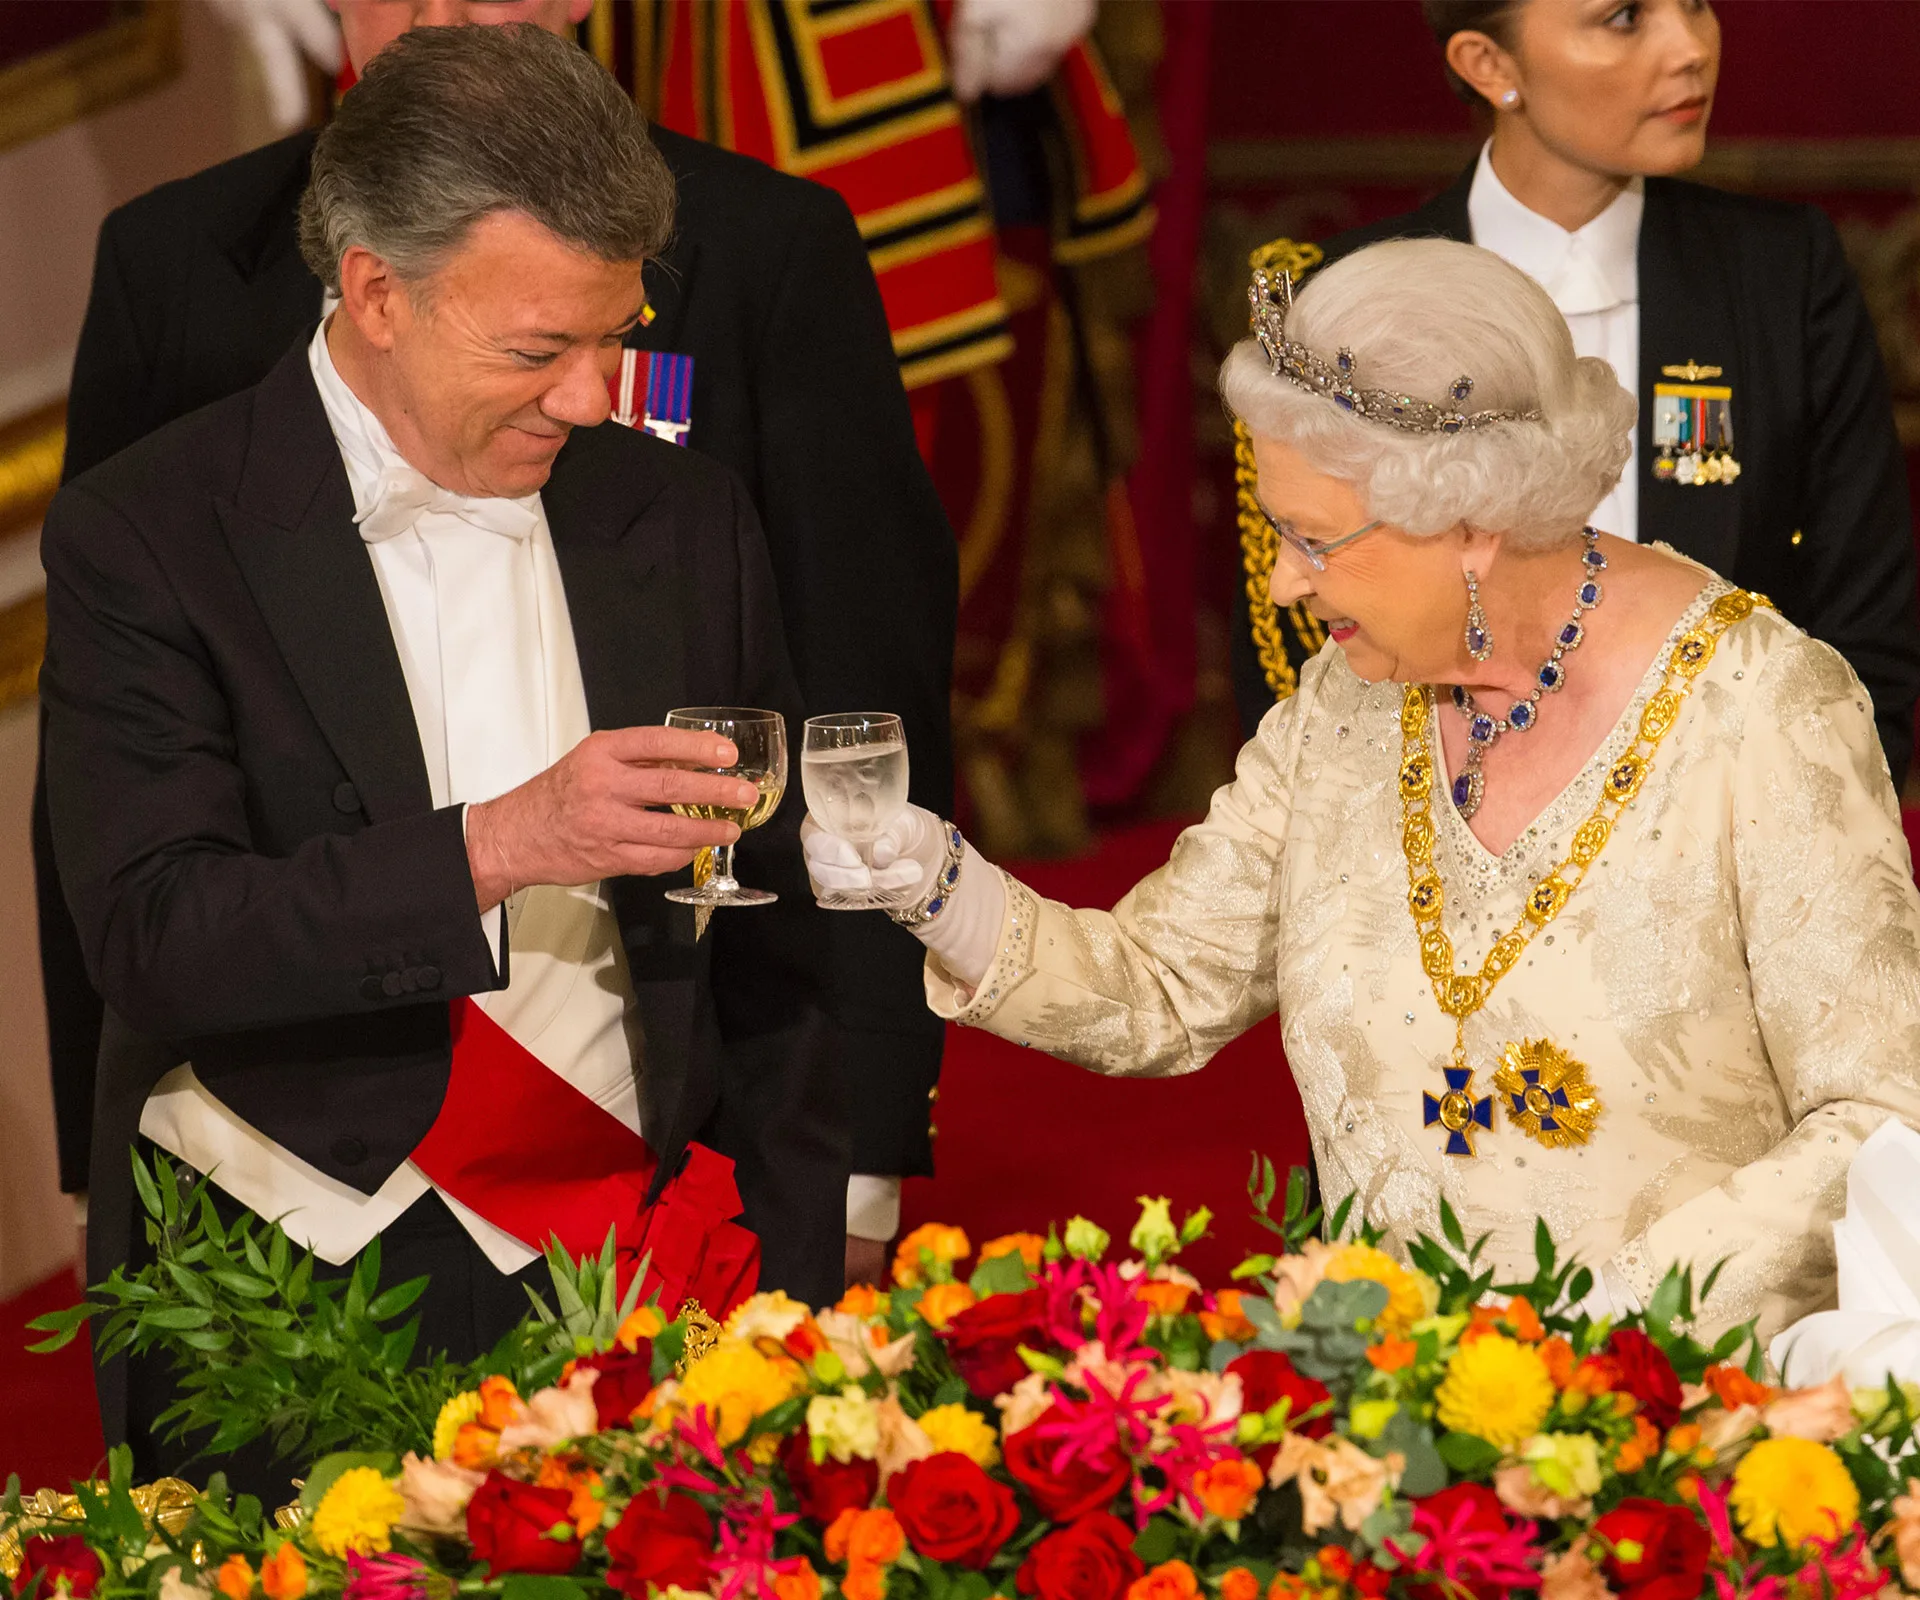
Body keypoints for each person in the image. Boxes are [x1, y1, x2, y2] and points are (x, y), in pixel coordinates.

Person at [808, 238, 1920, 1345]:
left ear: (1473, 524)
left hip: (1680, 1437)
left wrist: (1594, 1333)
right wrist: (938, 883)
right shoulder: (1343, 705)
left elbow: (1876, 1118)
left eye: (1312, 539)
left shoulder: (1764, 708)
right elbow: (1161, 984)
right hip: (1393, 1438)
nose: (1286, 580)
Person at [43, 0, 956, 1288]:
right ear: (375, 293)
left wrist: (801, 1256)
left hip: (638, 1253)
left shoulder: (681, 513)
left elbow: (776, 946)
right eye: (537, 350)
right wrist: (505, 842)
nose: (591, 399)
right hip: (286, 1271)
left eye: (615, 338)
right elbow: (156, 930)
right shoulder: (149, 533)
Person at [1229, 0, 1920, 790]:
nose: (1691, 46)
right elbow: (1291, 648)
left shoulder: (1779, 276)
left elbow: (1867, 638)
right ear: (1489, 65)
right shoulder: (1336, 297)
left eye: (1694, 3)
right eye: (1625, 17)